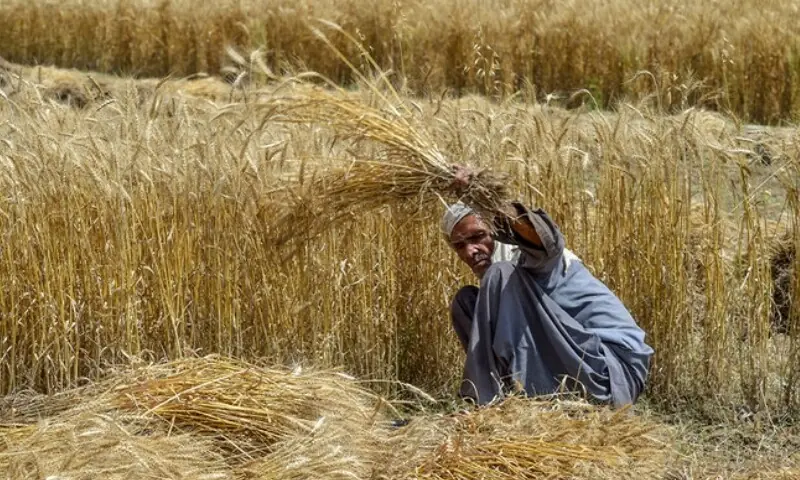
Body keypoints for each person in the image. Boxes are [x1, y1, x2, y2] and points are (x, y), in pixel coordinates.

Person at [443, 165, 653, 407]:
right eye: (460, 245)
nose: (471, 250)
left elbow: (546, 238)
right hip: (571, 366)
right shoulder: (503, 287)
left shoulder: (534, 257)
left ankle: (485, 402)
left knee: (499, 275)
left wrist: (486, 198)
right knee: (466, 302)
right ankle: (506, 401)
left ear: (497, 230)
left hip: (610, 370)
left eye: (478, 236)